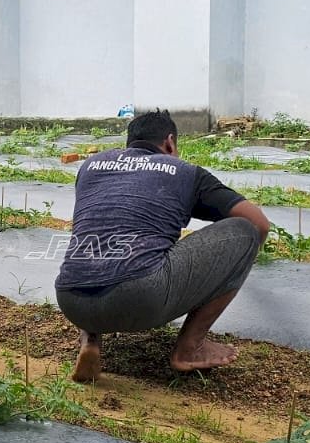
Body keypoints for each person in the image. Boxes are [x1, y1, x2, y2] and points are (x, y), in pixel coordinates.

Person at [55, 110, 271, 383]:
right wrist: (231, 268)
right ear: (170, 143)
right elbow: (259, 224)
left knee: (97, 238)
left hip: (71, 300)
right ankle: (190, 348)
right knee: (244, 230)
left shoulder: (92, 165)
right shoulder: (184, 172)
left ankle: (90, 341)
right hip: (140, 298)